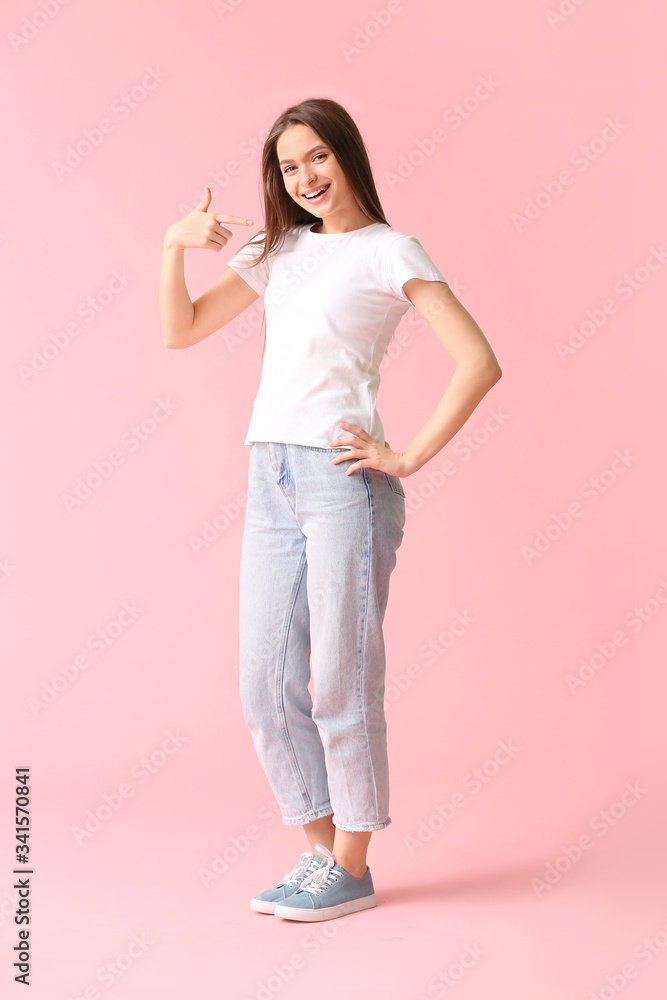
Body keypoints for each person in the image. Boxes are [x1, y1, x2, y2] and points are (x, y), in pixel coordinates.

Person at [159, 98, 502, 923]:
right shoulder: (276, 250)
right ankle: (321, 855)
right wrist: (173, 247)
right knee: (263, 681)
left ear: (347, 155)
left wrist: (406, 455)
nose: (305, 177)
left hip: (342, 482)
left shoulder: (391, 251)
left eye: (317, 157)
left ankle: (350, 865)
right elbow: (183, 329)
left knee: (341, 681)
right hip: (268, 473)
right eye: (287, 166)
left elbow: (478, 361)